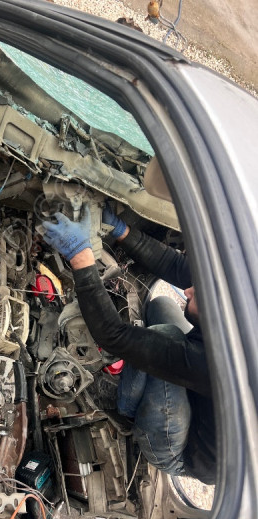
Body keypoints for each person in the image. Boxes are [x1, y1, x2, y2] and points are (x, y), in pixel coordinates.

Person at [42, 206, 215, 484]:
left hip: (181, 450)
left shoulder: (217, 365)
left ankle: (123, 408)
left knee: (167, 335)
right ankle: (143, 379)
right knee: (161, 305)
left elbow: (112, 335)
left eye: (197, 295)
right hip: (203, 395)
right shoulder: (238, 306)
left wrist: (79, 255)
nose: (187, 290)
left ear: (217, 316)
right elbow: (176, 266)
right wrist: (121, 229)